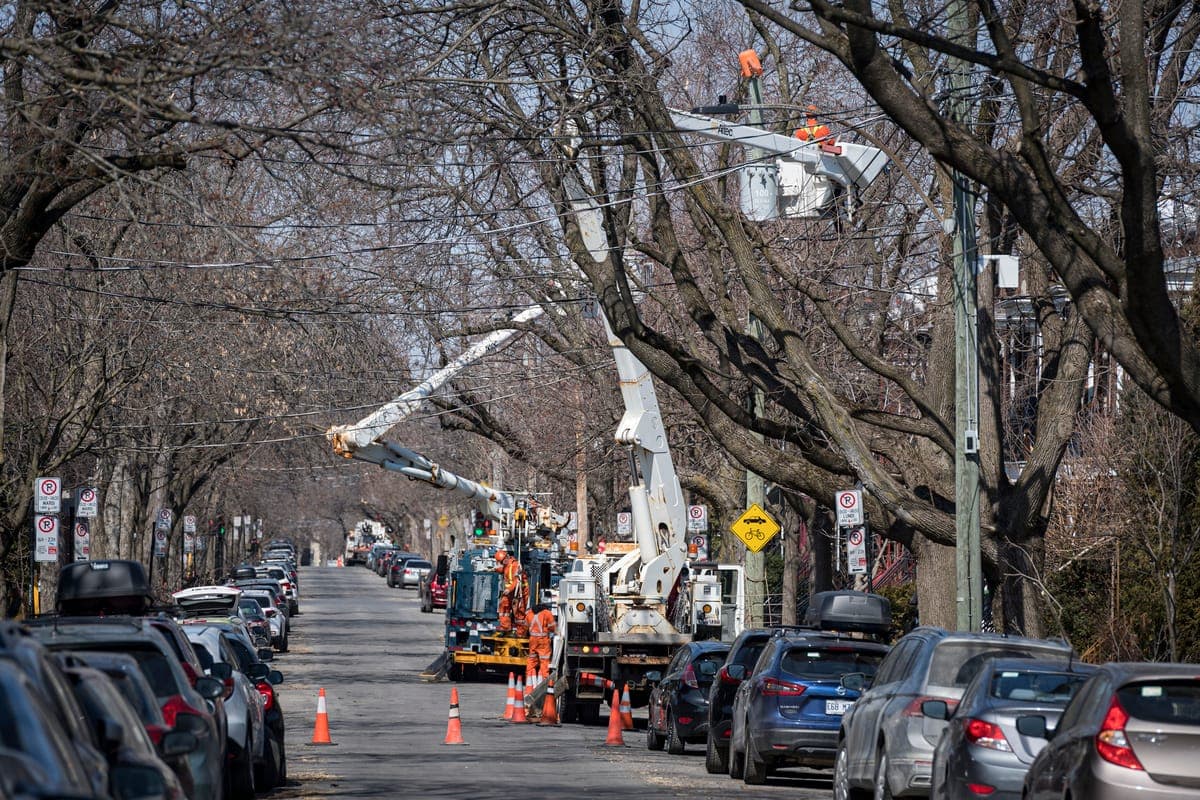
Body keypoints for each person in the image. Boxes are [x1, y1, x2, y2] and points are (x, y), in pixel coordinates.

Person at [525, 603, 556, 687]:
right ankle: (544, 681)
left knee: (532, 660)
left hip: (532, 640)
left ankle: (529, 680)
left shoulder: (529, 613)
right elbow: (553, 627)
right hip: (542, 640)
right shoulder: (547, 613)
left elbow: (526, 627)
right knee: (544, 660)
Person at [495, 549, 524, 634]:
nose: (502, 563)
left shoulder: (515, 565)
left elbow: (517, 580)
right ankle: (505, 626)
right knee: (503, 605)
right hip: (510, 592)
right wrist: (494, 569)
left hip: (518, 591)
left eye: (502, 561)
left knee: (518, 611)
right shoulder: (507, 565)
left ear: (506, 557)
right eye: (501, 562)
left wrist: (509, 589)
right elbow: (503, 570)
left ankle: (521, 631)